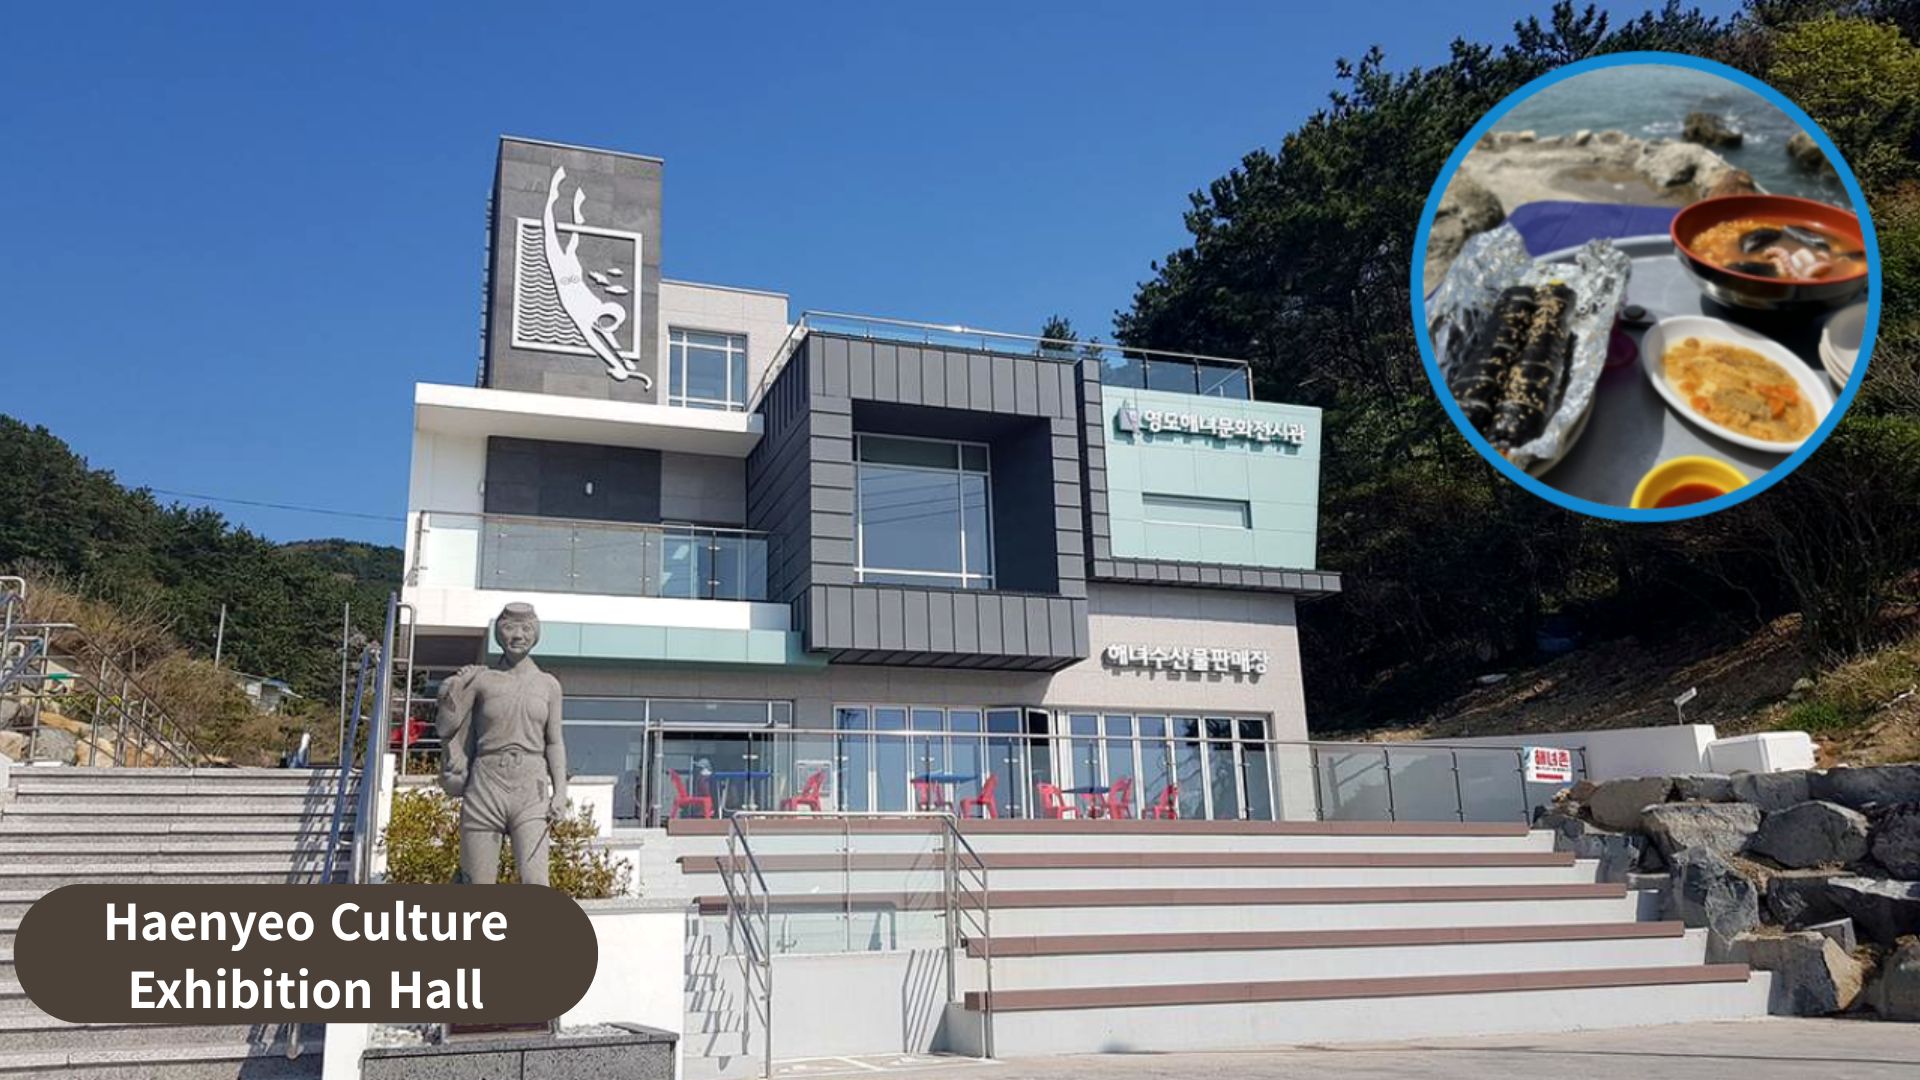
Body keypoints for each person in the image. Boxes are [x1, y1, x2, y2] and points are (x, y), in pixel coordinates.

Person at [435, 603, 568, 885]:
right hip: (485, 784)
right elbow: (446, 726)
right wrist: (455, 685)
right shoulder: (482, 680)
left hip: (531, 786)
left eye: (526, 628)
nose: (518, 635)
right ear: (498, 633)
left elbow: (554, 742)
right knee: (477, 883)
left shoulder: (549, 685)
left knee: (536, 881)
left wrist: (560, 793)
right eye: (509, 628)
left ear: (536, 634)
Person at [542, 167, 648, 386]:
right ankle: (556, 197)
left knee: (558, 237)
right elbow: (604, 342)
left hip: (563, 275)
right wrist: (621, 363)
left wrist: (622, 364)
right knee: (564, 237)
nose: (605, 324)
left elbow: (601, 342)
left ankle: (567, 205)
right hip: (571, 275)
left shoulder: (589, 319)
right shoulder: (595, 309)